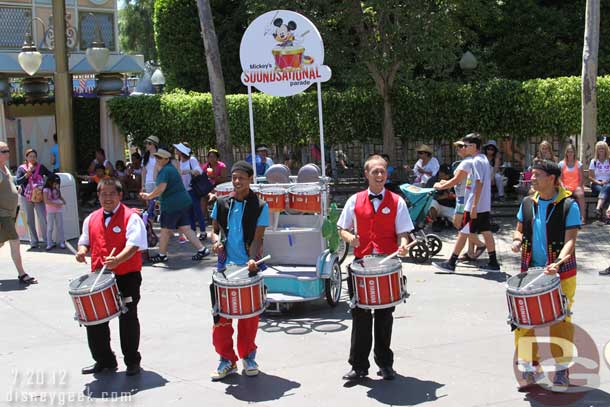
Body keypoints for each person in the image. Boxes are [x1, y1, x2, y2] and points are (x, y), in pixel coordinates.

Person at [337, 154, 413, 381]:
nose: (380, 175)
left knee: (384, 317)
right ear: (366, 175)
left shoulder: (397, 201)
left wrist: (403, 246)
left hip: (386, 266)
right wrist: (351, 238)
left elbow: (403, 233)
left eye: (383, 171)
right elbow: (342, 228)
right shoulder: (354, 200)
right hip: (360, 266)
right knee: (360, 316)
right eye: (375, 172)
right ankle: (359, 366)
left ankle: (385, 363)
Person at [510, 159, 580, 392]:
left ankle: (561, 369)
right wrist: (517, 239)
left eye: (537, 175)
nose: (532, 179)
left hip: (562, 273)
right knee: (523, 320)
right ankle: (529, 369)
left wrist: (558, 262)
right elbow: (519, 227)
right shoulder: (528, 203)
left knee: (560, 321)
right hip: (530, 272)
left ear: (551, 178)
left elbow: (571, 239)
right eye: (532, 175)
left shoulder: (569, 205)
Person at [76, 179, 148, 376]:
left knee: (128, 318)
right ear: (98, 196)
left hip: (126, 276)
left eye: (111, 194)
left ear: (119, 196)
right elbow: (85, 240)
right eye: (103, 194)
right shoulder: (91, 218)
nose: (107, 198)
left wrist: (118, 259)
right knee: (95, 319)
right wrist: (82, 251)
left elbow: (134, 244)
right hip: (99, 277)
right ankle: (104, 360)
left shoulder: (131, 217)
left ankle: (132, 361)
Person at [209, 160, 270, 380]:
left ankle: (248, 356)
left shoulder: (261, 206)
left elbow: (257, 238)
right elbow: (214, 231)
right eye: (234, 178)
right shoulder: (222, 203)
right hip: (224, 269)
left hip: (249, 269)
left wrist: (253, 260)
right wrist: (215, 242)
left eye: (241, 178)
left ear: (250, 180)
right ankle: (226, 360)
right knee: (221, 319)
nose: (236, 182)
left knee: (248, 319)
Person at [433, 134, 500, 272]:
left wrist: (474, 205)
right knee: (486, 232)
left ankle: (451, 263)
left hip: (474, 205)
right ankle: (493, 263)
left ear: (474, 146)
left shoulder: (476, 161)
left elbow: (479, 183)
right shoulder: (482, 159)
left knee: (463, 232)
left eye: (466, 145)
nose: (464, 148)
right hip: (482, 205)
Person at [139, 148, 210, 263]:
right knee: (185, 228)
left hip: (172, 204)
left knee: (165, 230)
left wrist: (149, 196)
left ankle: (162, 255)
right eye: (156, 157)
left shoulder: (165, 171)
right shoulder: (169, 169)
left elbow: (161, 188)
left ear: (166, 159)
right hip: (182, 202)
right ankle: (202, 249)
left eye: (160, 158)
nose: (157, 159)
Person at [0, 141, 37, 284]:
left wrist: (16, 189)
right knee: (15, 241)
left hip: (10, 213)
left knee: (2, 243)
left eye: (7, 150)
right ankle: (22, 274)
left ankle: (22, 274)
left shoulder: (5, 168)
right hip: (3, 214)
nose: (7, 153)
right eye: (3, 151)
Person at [15, 148, 53, 248]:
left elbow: (51, 175)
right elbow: (17, 181)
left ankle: (47, 240)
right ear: (26, 157)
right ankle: (34, 242)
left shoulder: (41, 167)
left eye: (34, 156)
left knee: (43, 218)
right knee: (29, 220)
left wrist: (45, 187)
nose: (32, 158)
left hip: (38, 196)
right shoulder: (22, 168)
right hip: (26, 197)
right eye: (30, 156)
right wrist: (26, 175)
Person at [174, 142, 207, 241]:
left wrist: (187, 171)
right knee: (189, 212)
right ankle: (193, 231)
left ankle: (203, 231)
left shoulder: (192, 160)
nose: (176, 151)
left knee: (197, 210)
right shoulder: (179, 162)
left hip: (193, 189)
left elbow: (199, 171)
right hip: (184, 191)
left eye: (178, 150)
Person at [558, 144, 586, 224]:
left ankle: (582, 217)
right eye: (568, 152)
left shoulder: (579, 164)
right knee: (559, 195)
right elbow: (559, 178)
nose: (570, 154)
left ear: (574, 153)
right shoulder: (561, 164)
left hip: (576, 187)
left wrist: (578, 187)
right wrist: (563, 186)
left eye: (572, 152)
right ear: (566, 153)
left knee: (580, 194)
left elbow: (581, 178)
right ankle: (561, 217)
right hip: (565, 187)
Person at [428, 164, 456, 230]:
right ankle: (436, 221)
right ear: (440, 173)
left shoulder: (452, 180)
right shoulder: (432, 181)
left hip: (448, 206)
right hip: (437, 206)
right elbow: (428, 197)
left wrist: (453, 196)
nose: (447, 176)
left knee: (459, 223)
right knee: (431, 203)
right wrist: (443, 196)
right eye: (445, 174)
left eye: (448, 174)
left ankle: (446, 221)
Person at [588, 141, 610, 220]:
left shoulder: (609, 161)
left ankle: (598, 209)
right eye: (599, 148)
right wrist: (599, 182)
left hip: (608, 183)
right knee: (606, 190)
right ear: (597, 150)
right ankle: (605, 215)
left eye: (603, 148)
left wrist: (606, 182)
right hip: (596, 183)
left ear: (606, 150)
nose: (601, 150)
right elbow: (590, 177)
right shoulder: (593, 161)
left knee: (607, 187)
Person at [43, 175, 66, 250]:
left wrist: (63, 201)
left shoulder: (56, 188)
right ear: (50, 182)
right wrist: (57, 204)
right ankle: (49, 243)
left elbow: (59, 196)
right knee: (50, 227)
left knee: (60, 226)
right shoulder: (46, 190)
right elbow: (46, 201)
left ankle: (62, 242)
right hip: (50, 210)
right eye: (54, 183)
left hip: (58, 209)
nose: (56, 184)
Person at [141, 136, 159, 220]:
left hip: (158, 182)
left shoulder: (159, 156)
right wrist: (143, 185)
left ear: (154, 145)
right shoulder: (146, 157)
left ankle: (157, 217)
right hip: (148, 182)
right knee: (150, 202)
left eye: (149, 143)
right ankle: (151, 218)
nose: (147, 145)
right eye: (146, 143)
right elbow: (143, 172)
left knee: (157, 202)